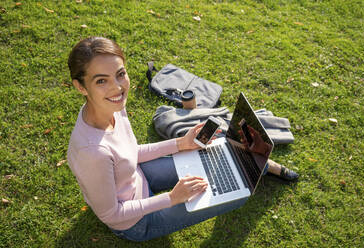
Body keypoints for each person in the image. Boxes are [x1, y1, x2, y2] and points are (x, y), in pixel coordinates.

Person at [67, 37, 298, 242]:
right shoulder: (92, 153)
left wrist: (181, 144)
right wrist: (172, 198)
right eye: (101, 81)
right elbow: (111, 214)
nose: (117, 88)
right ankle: (256, 169)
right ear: (80, 86)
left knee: (210, 153)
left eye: (120, 74)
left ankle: (255, 164)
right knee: (238, 196)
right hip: (135, 223)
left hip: (137, 176)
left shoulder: (112, 107)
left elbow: (129, 152)